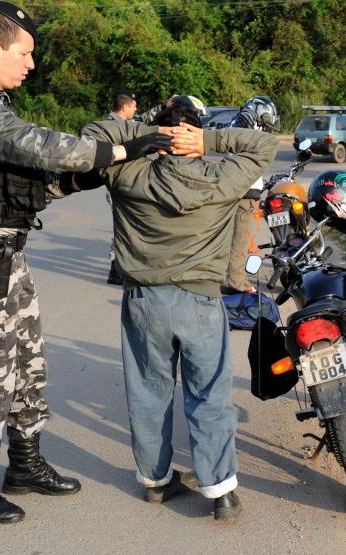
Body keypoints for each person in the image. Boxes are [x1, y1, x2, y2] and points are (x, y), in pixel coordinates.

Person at [0, 1, 177, 524]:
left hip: (4, 257)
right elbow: (43, 148)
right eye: (25, 53)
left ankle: (25, 463)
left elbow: (21, 186)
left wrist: (88, 176)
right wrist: (120, 153)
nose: (31, 64)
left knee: (29, 365)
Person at [78, 97, 279, 521]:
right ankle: (220, 491)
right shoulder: (224, 176)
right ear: (193, 135)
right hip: (201, 301)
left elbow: (93, 135)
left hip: (144, 302)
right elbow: (264, 145)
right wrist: (208, 139)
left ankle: (155, 481)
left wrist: (148, 136)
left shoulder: (127, 173)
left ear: (159, 134)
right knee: (209, 395)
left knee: (149, 393)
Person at [223, 95, 280, 294]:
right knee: (240, 240)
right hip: (244, 194)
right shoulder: (250, 132)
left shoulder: (236, 127)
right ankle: (236, 282)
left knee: (231, 239)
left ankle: (228, 277)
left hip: (233, 190)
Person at [106, 89, 138, 285]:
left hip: (125, 181)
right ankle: (116, 269)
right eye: (134, 107)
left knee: (126, 225)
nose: (136, 110)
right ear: (125, 107)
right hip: (117, 182)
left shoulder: (124, 124)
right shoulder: (111, 127)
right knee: (121, 226)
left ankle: (120, 267)